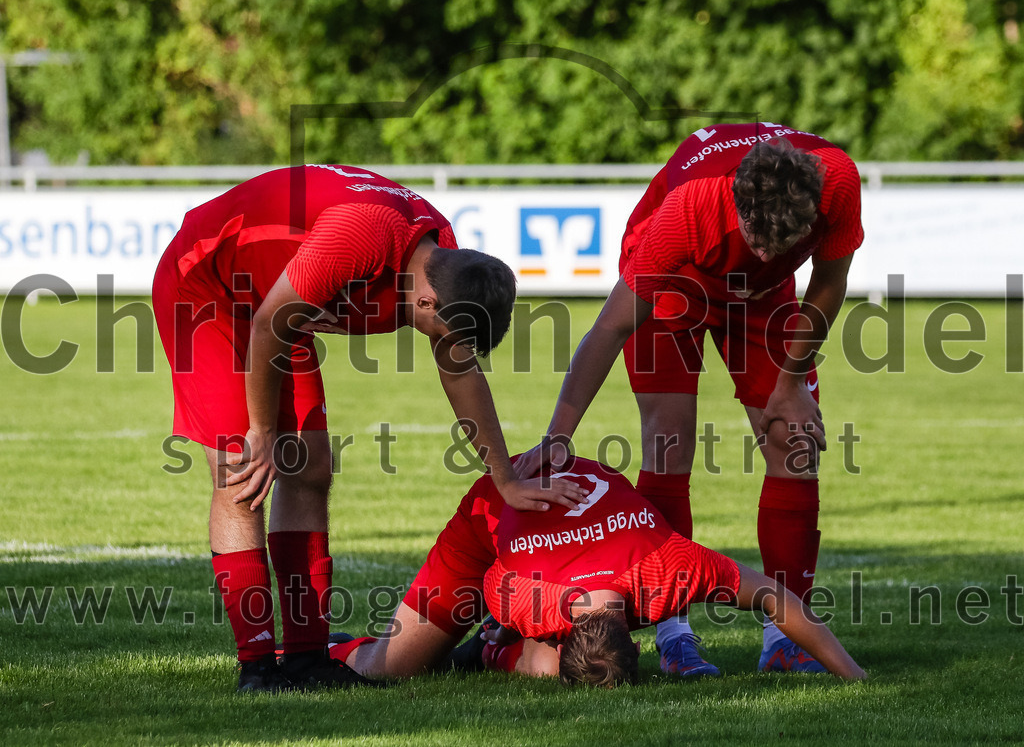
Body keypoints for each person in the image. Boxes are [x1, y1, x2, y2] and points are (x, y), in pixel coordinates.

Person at [152, 164, 588, 692]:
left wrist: (505, 478)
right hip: (208, 289)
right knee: (242, 472)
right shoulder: (362, 235)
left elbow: (459, 371)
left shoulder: (441, 254)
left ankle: (307, 658)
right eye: (442, 330)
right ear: (427, 301)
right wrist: (262, 431)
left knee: (309, 471)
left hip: (276, 306)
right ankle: (258, 665)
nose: (445, 344)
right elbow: (269, 323)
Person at [513, 122, 864, 677]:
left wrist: (791, 382)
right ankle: (675, 634)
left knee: (795, 444)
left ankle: (785, 638)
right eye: (760, 238)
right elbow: (608, 330)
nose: (770, 249)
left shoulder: (838, 179)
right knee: (668, 440)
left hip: (765, 298)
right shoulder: (685, 213)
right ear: (737, 199)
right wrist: (559, 433)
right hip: (679, 284)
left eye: (786, 242)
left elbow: (830, 279)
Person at [329, 456, 866, 686]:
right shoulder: (527, 598)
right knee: (393, 668)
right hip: (490, 511)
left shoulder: (671, 570)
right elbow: (776, 596)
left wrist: (854, 677)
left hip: (561, 522)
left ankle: (490, 653)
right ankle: (324, 650)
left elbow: (777, 598)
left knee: (548, 670)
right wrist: (500, 626)